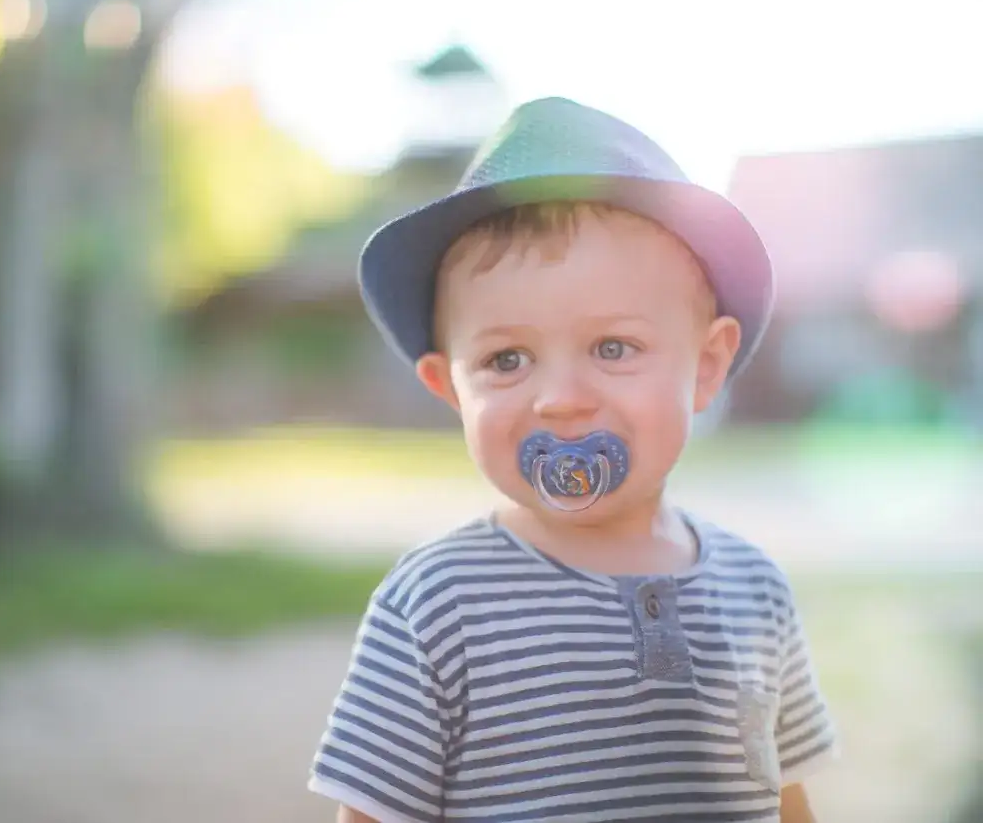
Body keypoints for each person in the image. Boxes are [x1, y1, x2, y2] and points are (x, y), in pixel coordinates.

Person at [307, 97, 837, 822]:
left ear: (707, 365)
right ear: (451, 389)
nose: (560, 400)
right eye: (507, 359)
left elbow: (788, 798)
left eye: (613, 347)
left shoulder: (756, 589)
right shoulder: (436, 604)